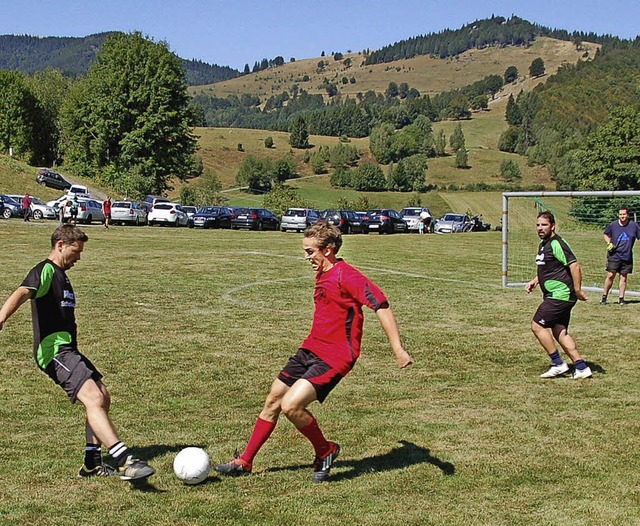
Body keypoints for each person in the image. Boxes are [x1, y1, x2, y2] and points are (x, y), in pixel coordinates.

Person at [215, 221, 413, 482]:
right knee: (273, 400)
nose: (306, 257)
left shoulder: (347, 275)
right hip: (310, 348)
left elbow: (382, 305)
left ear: (328, 250)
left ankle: (326, 450)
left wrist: (397, 349)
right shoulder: (324, 271)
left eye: (310, 251)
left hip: (336, 356)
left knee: (291, 405)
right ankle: (245, 461)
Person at [0, 224, 155, 481]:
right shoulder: (45, 270)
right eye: (76, 250)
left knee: (103, 396)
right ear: (60, 245)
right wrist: (2, 317)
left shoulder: (62, 274)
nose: (79, 257)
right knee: (93, 398)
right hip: (53, 351)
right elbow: (22, 292)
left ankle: (92, 463)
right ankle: (125, 459)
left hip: (68, 349)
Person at [525, 211, 592, 379]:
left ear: (553, 226)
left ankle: (558, 363)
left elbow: (574, 265)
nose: (540, 228)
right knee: (559, 331)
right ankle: (582, 368)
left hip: (560, 295)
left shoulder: (557, 243)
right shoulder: (543, 244)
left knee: (537, 325)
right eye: (538, 225)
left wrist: (578, 290)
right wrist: (536, 280)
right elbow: (549, 267)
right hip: (556, 295)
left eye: (544, 225)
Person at [600, 206, 640, 306]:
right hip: (614, 255)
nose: (622, 216)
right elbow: (606, 234)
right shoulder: (613, 225)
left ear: (627, 215)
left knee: (623, 277)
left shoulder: (634, 226)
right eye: (620, 214)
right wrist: (609, 243)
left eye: (624, 214)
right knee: (610, 275)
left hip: (627, 256)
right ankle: (604, 297)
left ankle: (621, 298)